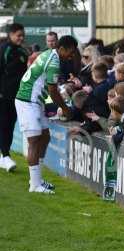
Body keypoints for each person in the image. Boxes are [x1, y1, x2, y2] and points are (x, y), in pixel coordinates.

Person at [15, 35, 77, 193]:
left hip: (35, 101)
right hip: (28, 101)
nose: (71, 55)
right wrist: (65, 108)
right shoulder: (54, 62)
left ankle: (37, 180)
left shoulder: (48, 54)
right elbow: (53, 91)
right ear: (62, 48)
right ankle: (34, 185)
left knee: (45, 136)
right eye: (70, 52)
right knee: (34, 140)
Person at [0, 23, 28, 172]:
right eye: (18, 35)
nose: (21, 38)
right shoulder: (4, 50)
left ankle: (4, 155)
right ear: (11, 35)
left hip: (16, 97)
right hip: (3, 96)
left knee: (10, 125)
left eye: (22, 35)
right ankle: (5, 155)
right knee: (4, 124)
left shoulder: (23, 52)